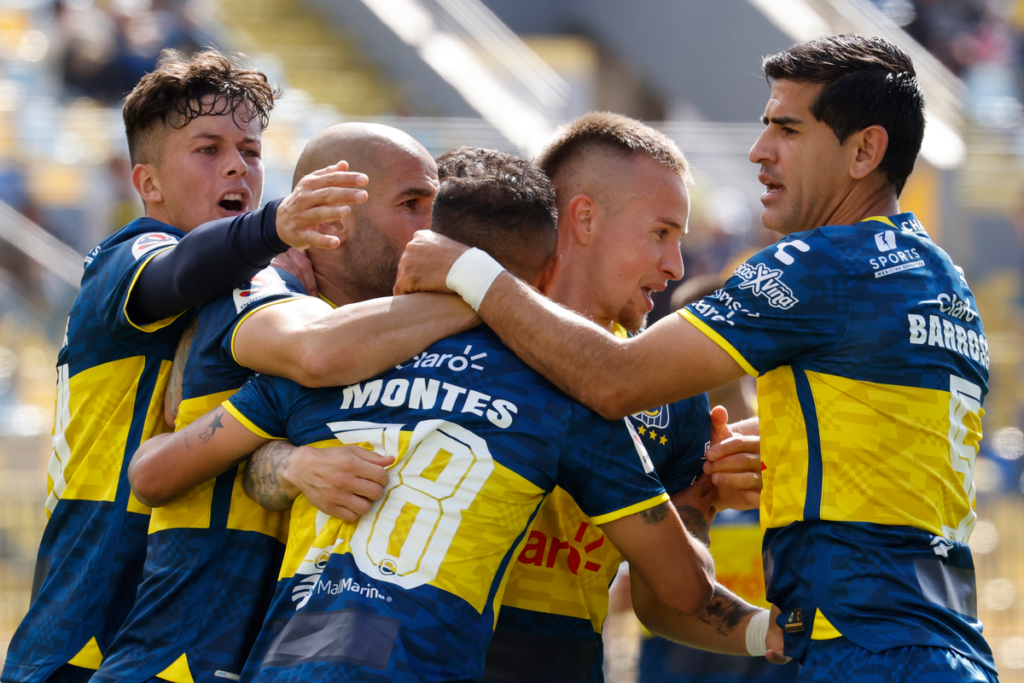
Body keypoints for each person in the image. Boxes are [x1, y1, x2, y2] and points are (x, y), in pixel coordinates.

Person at [393, 35, 996, 681]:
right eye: (659, 233)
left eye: (787, 130)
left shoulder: (820, 269)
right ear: (584, 218)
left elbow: (613, 384)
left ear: (865, 151)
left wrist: (472, 272)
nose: (759, 151)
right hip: (938, 647)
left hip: (863, 653)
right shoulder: (941, 280)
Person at [125, 149, 716, 683]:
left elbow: (153, 473)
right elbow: (684, 589)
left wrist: (287, 461)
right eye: (661, 233)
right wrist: (699, 506)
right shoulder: (566, 399)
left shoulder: (326, 364)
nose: (676, 265)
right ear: (545, 266)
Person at [1, 49, 368, 683]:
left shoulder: (259, 293)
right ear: (149, 184)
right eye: (208, 149)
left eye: (250, 152)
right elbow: (182, 269)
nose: (236, 165)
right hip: (86, 615)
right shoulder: (130, 255)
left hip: (186, 615)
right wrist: (273, 226)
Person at [92, 123, 477, 683]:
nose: (432, 229)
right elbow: (154, 467)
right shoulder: (260, 293)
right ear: (329, 221)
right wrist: (494, 295)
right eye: (411, 205)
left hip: (290, 655)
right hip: (178, 660)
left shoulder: (422, 343)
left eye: (434, 207)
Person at [468, 116, 771, 683]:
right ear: (584, 218)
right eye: (660, 233)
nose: (676, 266)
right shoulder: (453, 338)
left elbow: (673, 596)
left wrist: (768, 631)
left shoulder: (673, 395)